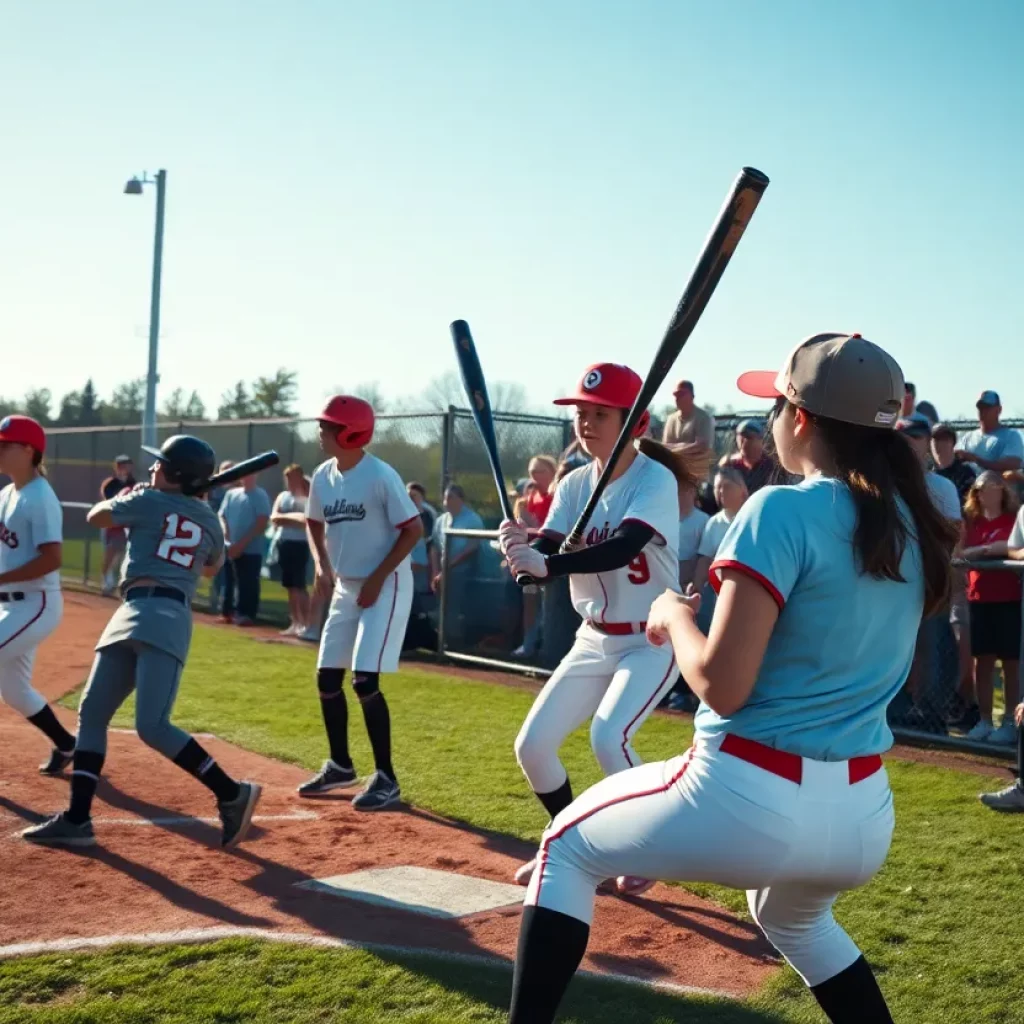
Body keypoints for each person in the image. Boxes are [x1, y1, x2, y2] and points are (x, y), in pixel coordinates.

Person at [504, 332, 958, 1024]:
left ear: (800, 419)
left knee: (564, 845)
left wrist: (672, 616)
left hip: (751, 791)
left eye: (777, 405)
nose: (772, 419)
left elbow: (722, 685)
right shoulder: (909, 520)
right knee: (798, 923)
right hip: (864, 814)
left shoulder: (779, 508)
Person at [500, 362, 703, 900]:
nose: (585, 423)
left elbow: (625, 545)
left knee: (608, 736)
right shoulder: (572, 483)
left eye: (599, 414)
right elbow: (550, 544)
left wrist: (550, 565)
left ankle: (654, 845)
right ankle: (572, 845)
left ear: (633, 423)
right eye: (581, 414)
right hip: (593, 638)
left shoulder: (652, 479)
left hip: (651, 637)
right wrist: (523, 547)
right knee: (533, 747)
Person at [22, 436, 260, 848]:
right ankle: (78, 818)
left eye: (160, 465)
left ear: (176, 475)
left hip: (157, 614)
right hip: (145, 612)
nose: (151, 470)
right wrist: (191, 506)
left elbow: (97, 516)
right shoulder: (209, 520)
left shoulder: (146, 500)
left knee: (151, 726)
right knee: (92, 711)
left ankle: (231, 792)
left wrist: (139, 495)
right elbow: (210, 568)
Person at [297, 396, 423, 811]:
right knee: (327, 679)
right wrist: (321, 564)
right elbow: (313, 521)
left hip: (385, 584)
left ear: (350, 433)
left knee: (364, 680)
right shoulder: (322, 475)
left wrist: (377, 578)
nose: (321, 431)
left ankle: (386, 778)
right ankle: (340, 765)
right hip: (346, 586)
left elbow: (412, 530)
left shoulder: (379, 476)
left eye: (329, 425)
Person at [0, 416, 74, 775]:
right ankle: (67, 744)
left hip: (36, 604)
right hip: (10, 604)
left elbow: (52, 558)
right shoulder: (7, 493)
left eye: (5, 444)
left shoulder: (40, 498)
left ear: (29, 450)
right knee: (14, 690)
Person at [958, 471, 1021, 745]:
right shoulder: (971, 523)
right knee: (982, 662)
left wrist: (1000, 549)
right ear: (977, 494)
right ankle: (985, 720)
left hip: (1009, 599)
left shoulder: (1013, 519)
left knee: (1011, 664)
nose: (990, 493)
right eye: (984, 488)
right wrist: (985, 550)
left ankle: (1009, 722)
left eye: (996, 487)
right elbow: (958, 554)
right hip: (979, 599)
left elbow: (1015, 549)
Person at [430, 484, 484, 646]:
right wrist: (435, 572)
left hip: (464, 571)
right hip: (443, 572)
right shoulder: (441, 520)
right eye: (445, 497)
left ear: (461, 499)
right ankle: (440, 640)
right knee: (441, 606)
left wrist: (447, 569)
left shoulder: (473, 519)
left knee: (454, 606)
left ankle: (455, 643)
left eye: (451, 497)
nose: (446, 501)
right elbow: (434, 547)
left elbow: (472, 548)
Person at [218, 469, 271, 626]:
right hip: (230, 547)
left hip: (251, 549)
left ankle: (246, 614)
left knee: (248, 582)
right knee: (228, 580)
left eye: (251, 473)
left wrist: (242, 544)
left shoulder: (260, 495)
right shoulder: (232, 494)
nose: (247, 476)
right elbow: (222, 515)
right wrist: (227, 537)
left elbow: (262, 522)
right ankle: (226, 612)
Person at [690, 465, 749, 601]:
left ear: (742, 489)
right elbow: (704, 560)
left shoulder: (755, 517)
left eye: (726, 486)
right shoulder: (714, 523)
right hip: (720, 592)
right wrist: (696, 587)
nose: (721, 491)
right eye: (717, 487)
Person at [270, 463, 313, 637]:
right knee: (290, 586)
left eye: (293, 477)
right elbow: (274, 518)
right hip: (284, 543)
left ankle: (307, 623)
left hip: (301, 544)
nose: (289, 482)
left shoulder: (308, 498)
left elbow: (307, 521)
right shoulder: (283, 496)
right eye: (287, 478)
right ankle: (295, 622)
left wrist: (286, 518)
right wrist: (292, 519)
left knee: (300, 585)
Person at [956, 391, 1024, 474]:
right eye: (980, 408)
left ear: (999, 410)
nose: (982, 411)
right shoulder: (967, 437)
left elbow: (1012, 464)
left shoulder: (1011, 436)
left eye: (987, 407)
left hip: (997, 486)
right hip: (968, 485)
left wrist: (976, 460)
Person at [99, 455, 136, 596]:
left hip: (127, 525)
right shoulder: (110, 483)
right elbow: (111, 501)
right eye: (121, 465)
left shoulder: (134, 483)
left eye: (127, 464)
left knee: (125, 556)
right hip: (111, 523)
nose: (124, 467)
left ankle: (121, 585)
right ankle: (107, 583)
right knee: (110, 553)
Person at [661, 379, 716, 455]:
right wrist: (684, 447)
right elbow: (665, 446)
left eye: (681, 394)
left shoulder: (704, 418)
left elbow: (701, 447)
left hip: (696, 464)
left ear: (692, 396)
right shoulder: (671, 419)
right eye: (676, 395)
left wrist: (675, 449)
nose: (677, 398)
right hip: (673, 463)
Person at [720, 419, 773, 493]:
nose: (744, 441)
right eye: (741, 436)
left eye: (749, 437)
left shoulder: (771, 464)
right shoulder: (729, 463)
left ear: (760, 440)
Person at [931, 423, 975, 506]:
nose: (938, 443)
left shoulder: (965, 472)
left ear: (952, 443)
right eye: (935, 439)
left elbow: (970, 506)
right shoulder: (927, 475)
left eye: (944, 439)